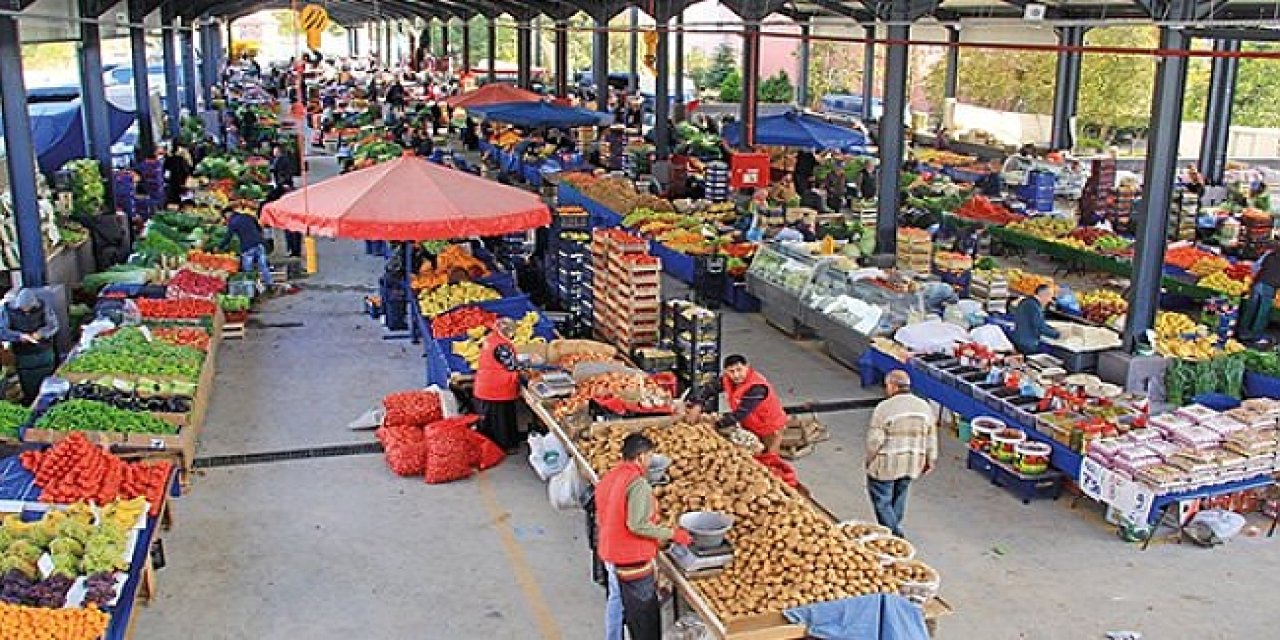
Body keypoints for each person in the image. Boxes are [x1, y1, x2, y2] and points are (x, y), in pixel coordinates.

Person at [595, 433, 693, 640]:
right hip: (630, 559)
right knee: (643, 617)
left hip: (609, 551)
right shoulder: (638, 484)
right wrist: (673, 534)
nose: (650, 461)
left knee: (617, 600)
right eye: (649, 456)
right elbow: (638, 525)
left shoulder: (611, 476)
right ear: (640, 457)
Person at [865, 370, 937, 538]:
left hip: (887, 463)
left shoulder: (884, 407)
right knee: (899, 496)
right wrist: (930, 459)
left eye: (886, 386)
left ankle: (894, 535)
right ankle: (892, 528)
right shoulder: (924, 406)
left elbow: (875, 441)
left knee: (882, 500)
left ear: (892, 386)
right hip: (912, 462)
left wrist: (869, 460)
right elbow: (931, 437)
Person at [686, 354, 789, 455]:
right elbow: (709, 389)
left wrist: (714, 425)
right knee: (752, 458)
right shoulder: (727, 380)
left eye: (739, 370)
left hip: (770, 427)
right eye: (731, 371)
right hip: (752, 425)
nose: (735, 375)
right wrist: (697, 405)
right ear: (726, 371)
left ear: (747, 367)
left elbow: (740, 414)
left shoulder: (757, 387)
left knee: (769, 459)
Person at [473, 318, 527, 452]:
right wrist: (527, 364)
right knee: (502, 421)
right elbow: (512, 365)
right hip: (497, 389)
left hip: (486, 387)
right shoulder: (501, 346)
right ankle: (503, 447)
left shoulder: (491, 338)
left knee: (493, 421)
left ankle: (492, 446)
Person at [0, 289, 59, 404]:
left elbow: (53, 325)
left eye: (29, 308)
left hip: (44, 354)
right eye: (23, 309)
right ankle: (31, 402)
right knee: (30, 388)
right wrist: (19, 336)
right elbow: (2, 331)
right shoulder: (7, 310)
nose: (26, 311)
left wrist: (40, 333)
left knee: (49, 385)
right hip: (23, 357)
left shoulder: (43, 306)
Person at [217, 207, 273, 288]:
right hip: (259, 244)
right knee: (263, 266)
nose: (225, 219)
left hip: (247, 247)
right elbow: (259, 227)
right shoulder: (247, 216)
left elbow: (228, 237)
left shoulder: (233, 222)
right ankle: (269, 284)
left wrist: (219, 247)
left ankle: (252, 289)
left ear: (227, 214)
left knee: (248, 270)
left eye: (225, 217)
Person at [1238, 250, 1280, 344]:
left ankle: (1242, 332)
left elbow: (1255, 267)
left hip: (1258, 282)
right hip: (1270, 286)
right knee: (1262, 312)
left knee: (1251, 308)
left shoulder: (1269, 254)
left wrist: (1253, 280)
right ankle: (1255, 336)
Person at [1011, 284, 1060, 355]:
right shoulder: (1034, 307)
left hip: (1017, 340)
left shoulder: (1025, 301)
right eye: (1050, 297)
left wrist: (1052, 328)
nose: (1050, 300)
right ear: (1043, 295)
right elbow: (1040, 327)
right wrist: (1057, 334)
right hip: (1027, 344)